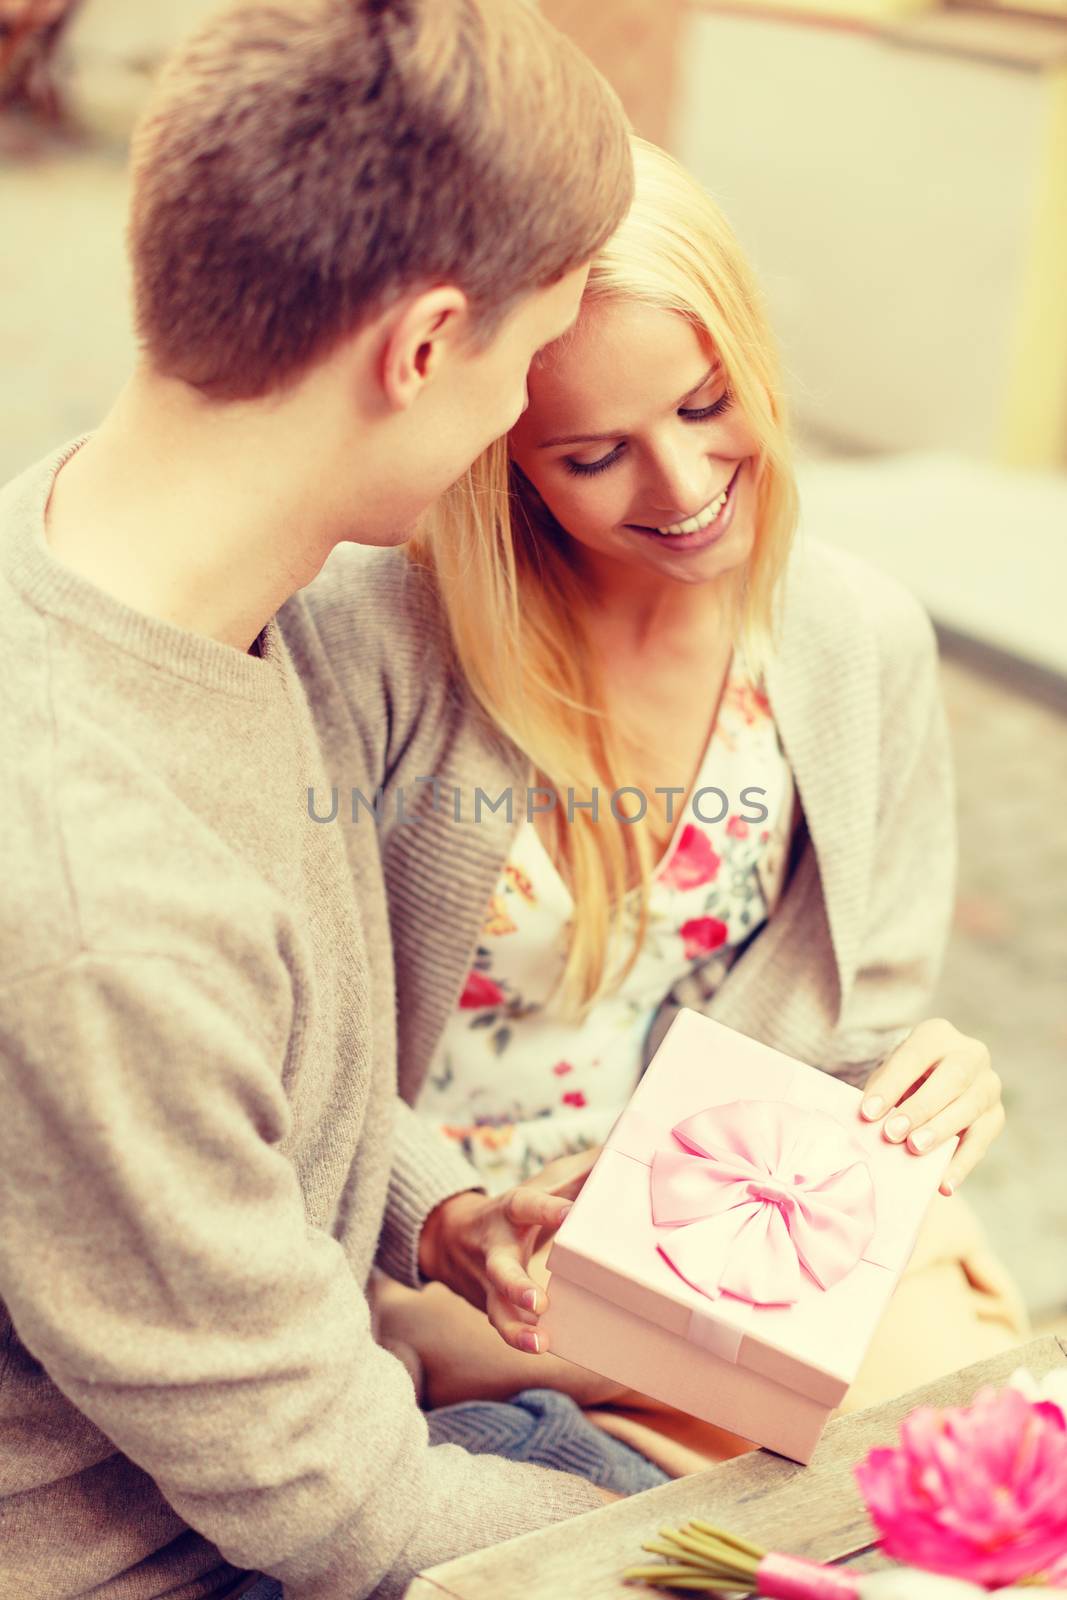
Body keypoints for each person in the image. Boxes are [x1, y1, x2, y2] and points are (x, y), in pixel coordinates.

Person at [0, 3, 639, 1597]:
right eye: (533, 350)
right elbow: (349, 1525)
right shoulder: (95, 902)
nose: (522, 416)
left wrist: (435, 1203)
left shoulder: (145, 558)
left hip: (325, 1424)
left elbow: (235, 1092)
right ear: (423, 348)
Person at [297, 137, 1028, 1475]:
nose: (684, 491)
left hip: (746, 1246)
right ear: (501, 452)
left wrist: (930, 1081)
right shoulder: (370, 637)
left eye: (705, 406)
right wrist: (447, 1215)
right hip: (466, 1287)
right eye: (593, 455)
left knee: (987, 1497)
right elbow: (289, 1034)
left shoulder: (859, 639)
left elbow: (857, 1016)